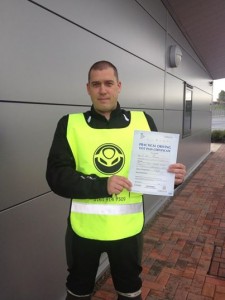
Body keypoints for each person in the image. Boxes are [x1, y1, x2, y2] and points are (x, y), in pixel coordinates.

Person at [46, 61, 186, 300]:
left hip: (128, 231)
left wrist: (171, 178)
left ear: (119, 86)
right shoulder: (70, 124)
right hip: (84, 232)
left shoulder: (143, 121)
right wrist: (102, 185)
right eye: (96, 84)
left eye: (109, 83)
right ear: (88, 88)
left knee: (130, 293)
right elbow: (57, 176)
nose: (103, 90)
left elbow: (153, 170)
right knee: (78, 293)